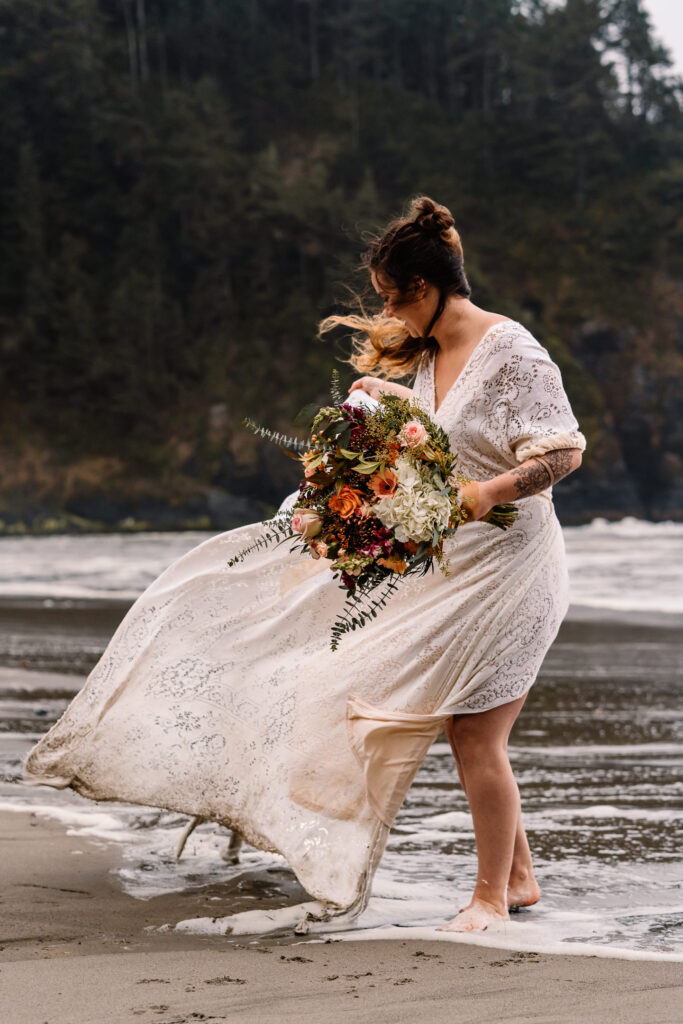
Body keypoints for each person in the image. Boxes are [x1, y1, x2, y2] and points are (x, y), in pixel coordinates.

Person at [24, 195, 585, 934]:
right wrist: (384, 398)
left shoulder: (511, 350)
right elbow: (445, 434)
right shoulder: (434, 354)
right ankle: (517, 879)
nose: (388, 315)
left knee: (475, 734)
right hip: (452, 567)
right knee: (428, 716)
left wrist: (488, 492)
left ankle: (488, 899)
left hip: (513, 568)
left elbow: (564, 451)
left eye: (391, 299)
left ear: (424, 288)